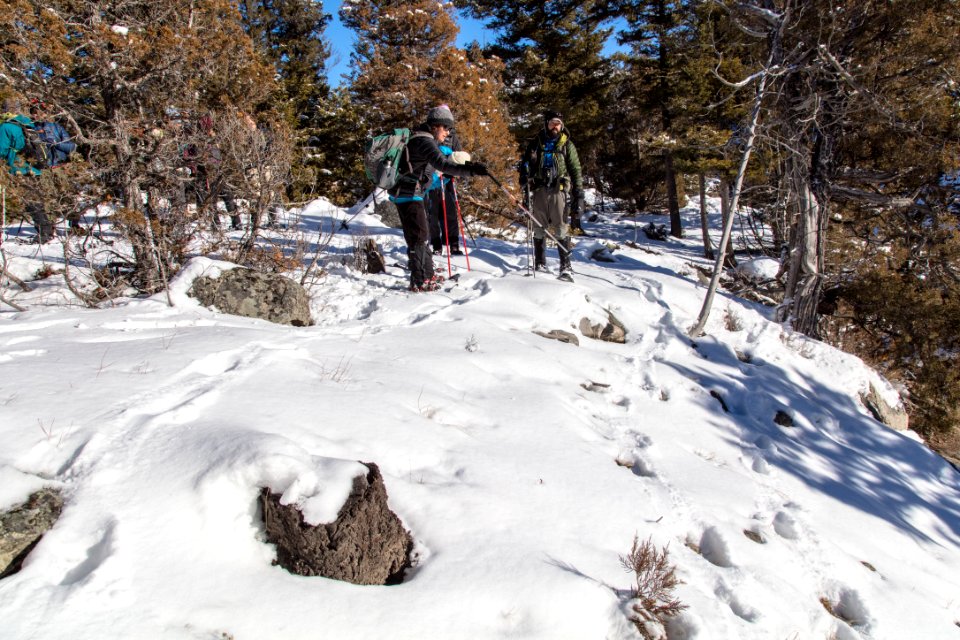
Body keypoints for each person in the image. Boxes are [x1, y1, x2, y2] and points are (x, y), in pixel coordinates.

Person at [388, 104, 488, 292]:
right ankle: (419, 280)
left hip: (411, 192)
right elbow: (442, 164)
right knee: (418, 237)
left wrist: (469, 165)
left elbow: (440, 162)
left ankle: (427, 273)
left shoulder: (422, 137)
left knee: (422, 235)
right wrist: (471, 171)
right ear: (436, 126)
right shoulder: (424, 140)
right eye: (446, 128)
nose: (448, 133)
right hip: (407, 194)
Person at [519, 109, 584, 281]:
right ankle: (540, 263)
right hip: (539, 189)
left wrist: (579, 193)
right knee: (539, 227)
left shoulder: (566, 144)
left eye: (558, 124)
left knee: (561, 226)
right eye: (552, 123)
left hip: (559, 190)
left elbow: (575, 169)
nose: (555, 127)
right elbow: (524, 164)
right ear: (546, 124)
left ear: (562, 126)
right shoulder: (536, 143)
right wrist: (524, 176)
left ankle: (566, 266)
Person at [425, 123, 468, 255]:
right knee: (433, 216)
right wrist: (441, 173)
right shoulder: (441, 152)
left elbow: (459, 152)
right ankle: (437, 245)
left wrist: (453, 174)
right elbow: (429, 172)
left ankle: (453, 244)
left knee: (450, 214)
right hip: (432, 186)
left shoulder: (453, 142)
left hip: (446, 184)